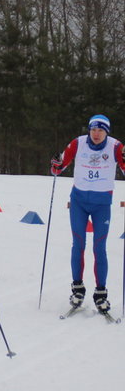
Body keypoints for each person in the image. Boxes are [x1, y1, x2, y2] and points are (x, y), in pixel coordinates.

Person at [50, 114, 125, 313]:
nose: (96, 134)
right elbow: (57, 169)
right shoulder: (78, 143)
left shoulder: (116, 147)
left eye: (100, 130)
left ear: (107, 132)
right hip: (79, 202)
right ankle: (78, 289)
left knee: (99, 248)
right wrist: (56, 164)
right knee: (78, 243)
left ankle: (101, 293)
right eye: (93, 129)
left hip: (102, 204)